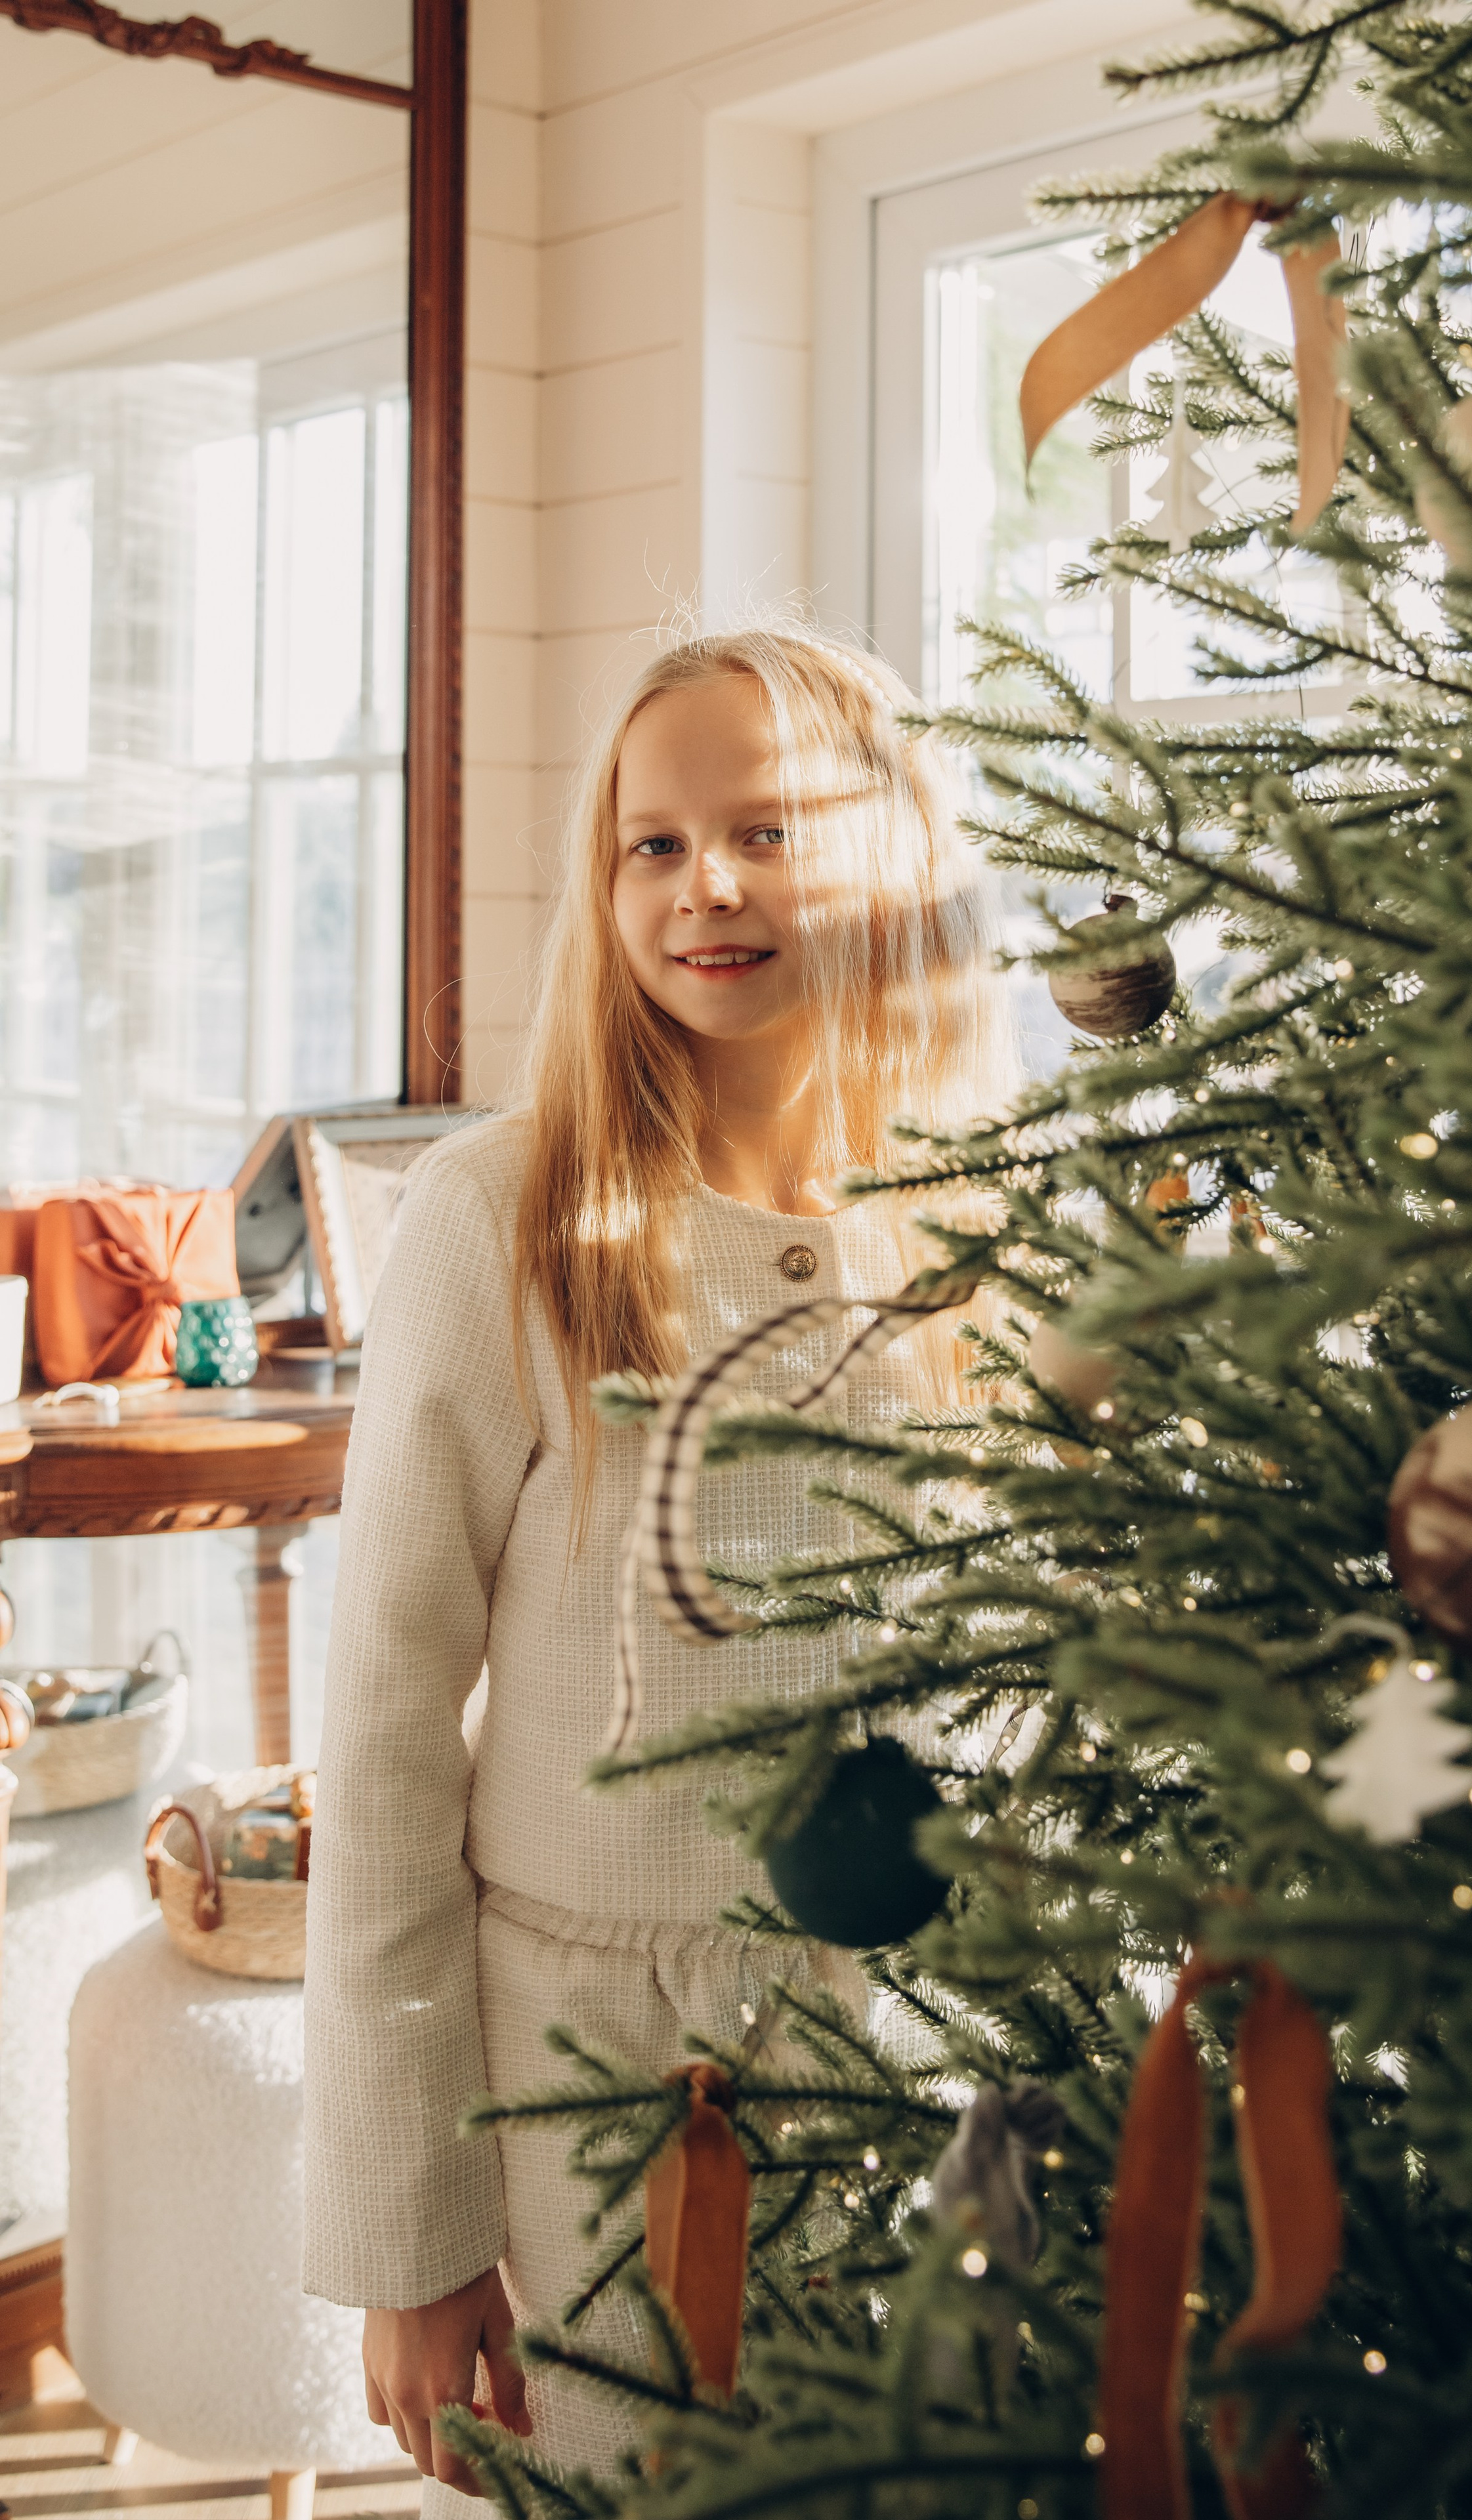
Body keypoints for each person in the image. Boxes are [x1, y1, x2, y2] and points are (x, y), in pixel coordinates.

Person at [301, 629, 1015, 2507]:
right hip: (603, 2075)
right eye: (655, 843)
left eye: (766, 831)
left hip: (931, 2060)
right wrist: (413, 2228)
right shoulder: (504, 1218)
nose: (706, 884)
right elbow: (379, 1729)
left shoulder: (985, 1227)